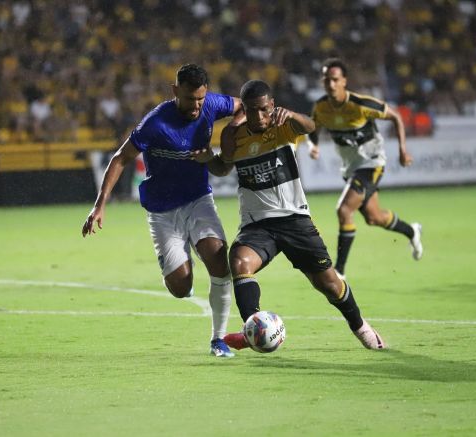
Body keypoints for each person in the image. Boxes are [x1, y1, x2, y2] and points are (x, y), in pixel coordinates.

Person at [204, 79, 386, 351]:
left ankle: (360, 326)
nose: (259, 116)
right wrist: (207, 158)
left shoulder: (284, 125)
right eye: (252, 110)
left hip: (294, 220)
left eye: (264, 109)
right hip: (257, 225)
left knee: (329, 285)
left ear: (272, 105)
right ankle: (252, 328)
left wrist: (292, 115)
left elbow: (311, 126)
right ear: (245, 110)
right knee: (239, 262)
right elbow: (223, 168)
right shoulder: (233, 134)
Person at [81, 64, 242, 358]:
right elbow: (120, 158)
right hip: (163, 211)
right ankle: (182, 269)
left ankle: (218, 340)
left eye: (201, 100)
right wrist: (99, 205)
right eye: (191, 98)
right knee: (181, 287)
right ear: (175, 91)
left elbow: (243, 106)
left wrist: (233, 129)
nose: (196, 106)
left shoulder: (213, 104)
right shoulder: (155, 123)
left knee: (220, 262)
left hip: (198, 200)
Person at [306, 58, 423, 279]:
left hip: (372, 163)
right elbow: (313, 127)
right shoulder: (321, 107)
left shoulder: (360, 104)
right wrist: (314, 146)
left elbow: (396, 116)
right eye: (326, 80)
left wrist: (402, 150)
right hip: (351, 167)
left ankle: (339, 271)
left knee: (344, 210)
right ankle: (412, 231)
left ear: (344, 81)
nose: (330, 84)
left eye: (335, 80)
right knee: (374, 217)